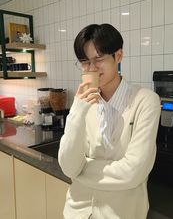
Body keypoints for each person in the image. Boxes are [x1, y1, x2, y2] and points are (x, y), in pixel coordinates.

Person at [58, 23, 161, 219]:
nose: (91, 68)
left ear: (118, 56)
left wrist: (82, 171)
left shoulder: (145, 101)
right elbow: (68, 167)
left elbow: (133, 172)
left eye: (98, 59)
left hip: (122, 214)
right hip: (76, 212)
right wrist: (78, 111)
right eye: (84, 61)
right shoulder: (83, 103)